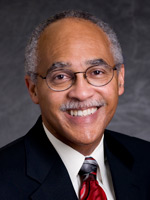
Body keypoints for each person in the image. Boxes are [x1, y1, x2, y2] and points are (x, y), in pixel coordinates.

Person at [0, 10, 150, 200]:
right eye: (60, 76)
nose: (81, 93)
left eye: (96, 72)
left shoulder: (146, 160)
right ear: (33, 89)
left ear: (120, 80)